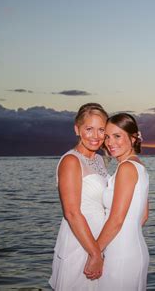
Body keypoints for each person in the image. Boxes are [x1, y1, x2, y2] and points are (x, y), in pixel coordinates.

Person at [49, 103, 109, 290]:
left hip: (99, 242)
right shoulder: (71, 161)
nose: (96, 136)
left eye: (101, 130)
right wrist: (94, 254)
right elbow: (72, 213)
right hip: (81, 244)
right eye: (89, 129)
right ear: (77, 129)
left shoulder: (99, 159)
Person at [97, 113, 149, 291]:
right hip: (131, 248)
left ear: (134, 138)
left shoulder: (126, 168)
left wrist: (94, 254)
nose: (110, 142)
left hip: (121, 253)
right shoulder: (138, 166)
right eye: (107, 137)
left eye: (117, 136)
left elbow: (116, 219)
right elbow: (143, 216)